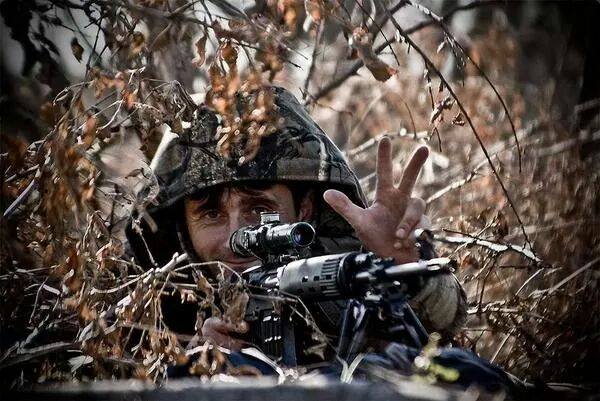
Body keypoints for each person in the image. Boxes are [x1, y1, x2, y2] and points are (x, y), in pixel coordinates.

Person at [126, 85, 466, 361]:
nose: (236, 238)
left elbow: (445, 319)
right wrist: (193, 364)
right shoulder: (147, 299)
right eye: (211, 214)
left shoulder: (336, 272)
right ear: (181, 226)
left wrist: (404, 268)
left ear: (304, 208)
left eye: (259, 208)